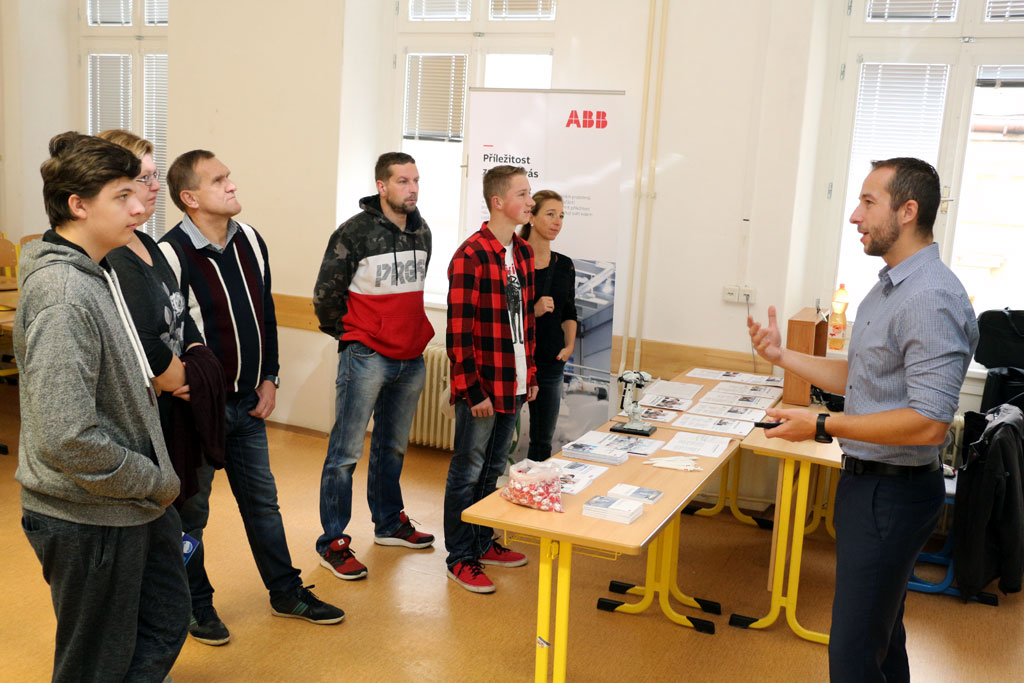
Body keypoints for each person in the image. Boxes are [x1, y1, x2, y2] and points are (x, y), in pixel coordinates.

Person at [747, 157, 978, 682]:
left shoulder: (929, 297)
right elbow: (862, 374)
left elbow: (928, 422)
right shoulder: (891, 286)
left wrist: (821, 426)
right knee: (881, 638)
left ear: (908, 211)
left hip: (892, 493)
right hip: (871, 487)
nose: (855, 215)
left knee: (853, 654)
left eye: (869, 202)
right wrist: (782, 356)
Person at [15, 131, 188, 682]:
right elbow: (67, 436)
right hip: (88, 514)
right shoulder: (65, 295)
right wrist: (153, 479)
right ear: (78, 205)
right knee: (95, 664)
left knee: (163, 622)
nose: (140, 206)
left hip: (130, 502)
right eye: (122, 196)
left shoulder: (99, 270)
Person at [161, 150, 344, 645]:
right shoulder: (170, 253)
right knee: (190, 515)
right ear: (190, 197)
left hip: (247, 404)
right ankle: (195, 606)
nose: (232, 185)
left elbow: (265, 313)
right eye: (218, 180)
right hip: (197, 411)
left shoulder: (251, 240)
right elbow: (164, 331)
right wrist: (177, 381)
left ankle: (286, 593)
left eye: (229, 176)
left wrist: (271, 377)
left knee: (263, 505)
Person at [312, 152, 435, 581]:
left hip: (411, 356)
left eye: (415, 180)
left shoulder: (422, 230)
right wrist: (352, 337)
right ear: (382, 186)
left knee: (392, 447)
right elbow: (326, 296)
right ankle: (333, 542)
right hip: (366, 355)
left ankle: (388, 524)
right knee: (345, 453)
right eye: (402, 181)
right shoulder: (354, 232)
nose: (412, 188)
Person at [99, 130, 224, 508]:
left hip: (177, 413)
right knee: (171, 521)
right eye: (144, 178)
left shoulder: (149, 243)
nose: (156, 186)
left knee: (191, 520)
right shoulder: (114, 256)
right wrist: (193, 377)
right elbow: (146, 347)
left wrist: (195, 367)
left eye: (155, 175)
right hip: (149, 424)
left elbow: (183, 315)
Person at [444, 165, 539, 593]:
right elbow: (458, 332)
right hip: (482, 387)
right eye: (522, 194)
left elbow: (526, 321)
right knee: (467, 471)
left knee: (493, 470)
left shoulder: (523, 252)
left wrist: (530, 373)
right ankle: (460, 557)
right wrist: (471, 389)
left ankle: (482, 543)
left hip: (513, 381)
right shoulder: (471, 255)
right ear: (498, 202)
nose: (530, 202)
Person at [520, 190, 577, 461]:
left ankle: (534, 484)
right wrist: (534, 310)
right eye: (550, 214)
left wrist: (569, 346)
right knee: (499, 437)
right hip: (516, 360)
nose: (557, 222)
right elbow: (499, 314)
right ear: (531, 217)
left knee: (543, 440)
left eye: (561, 216)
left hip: (551, 362)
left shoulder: (564, 265)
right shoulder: (513, 261)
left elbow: (569, 310)